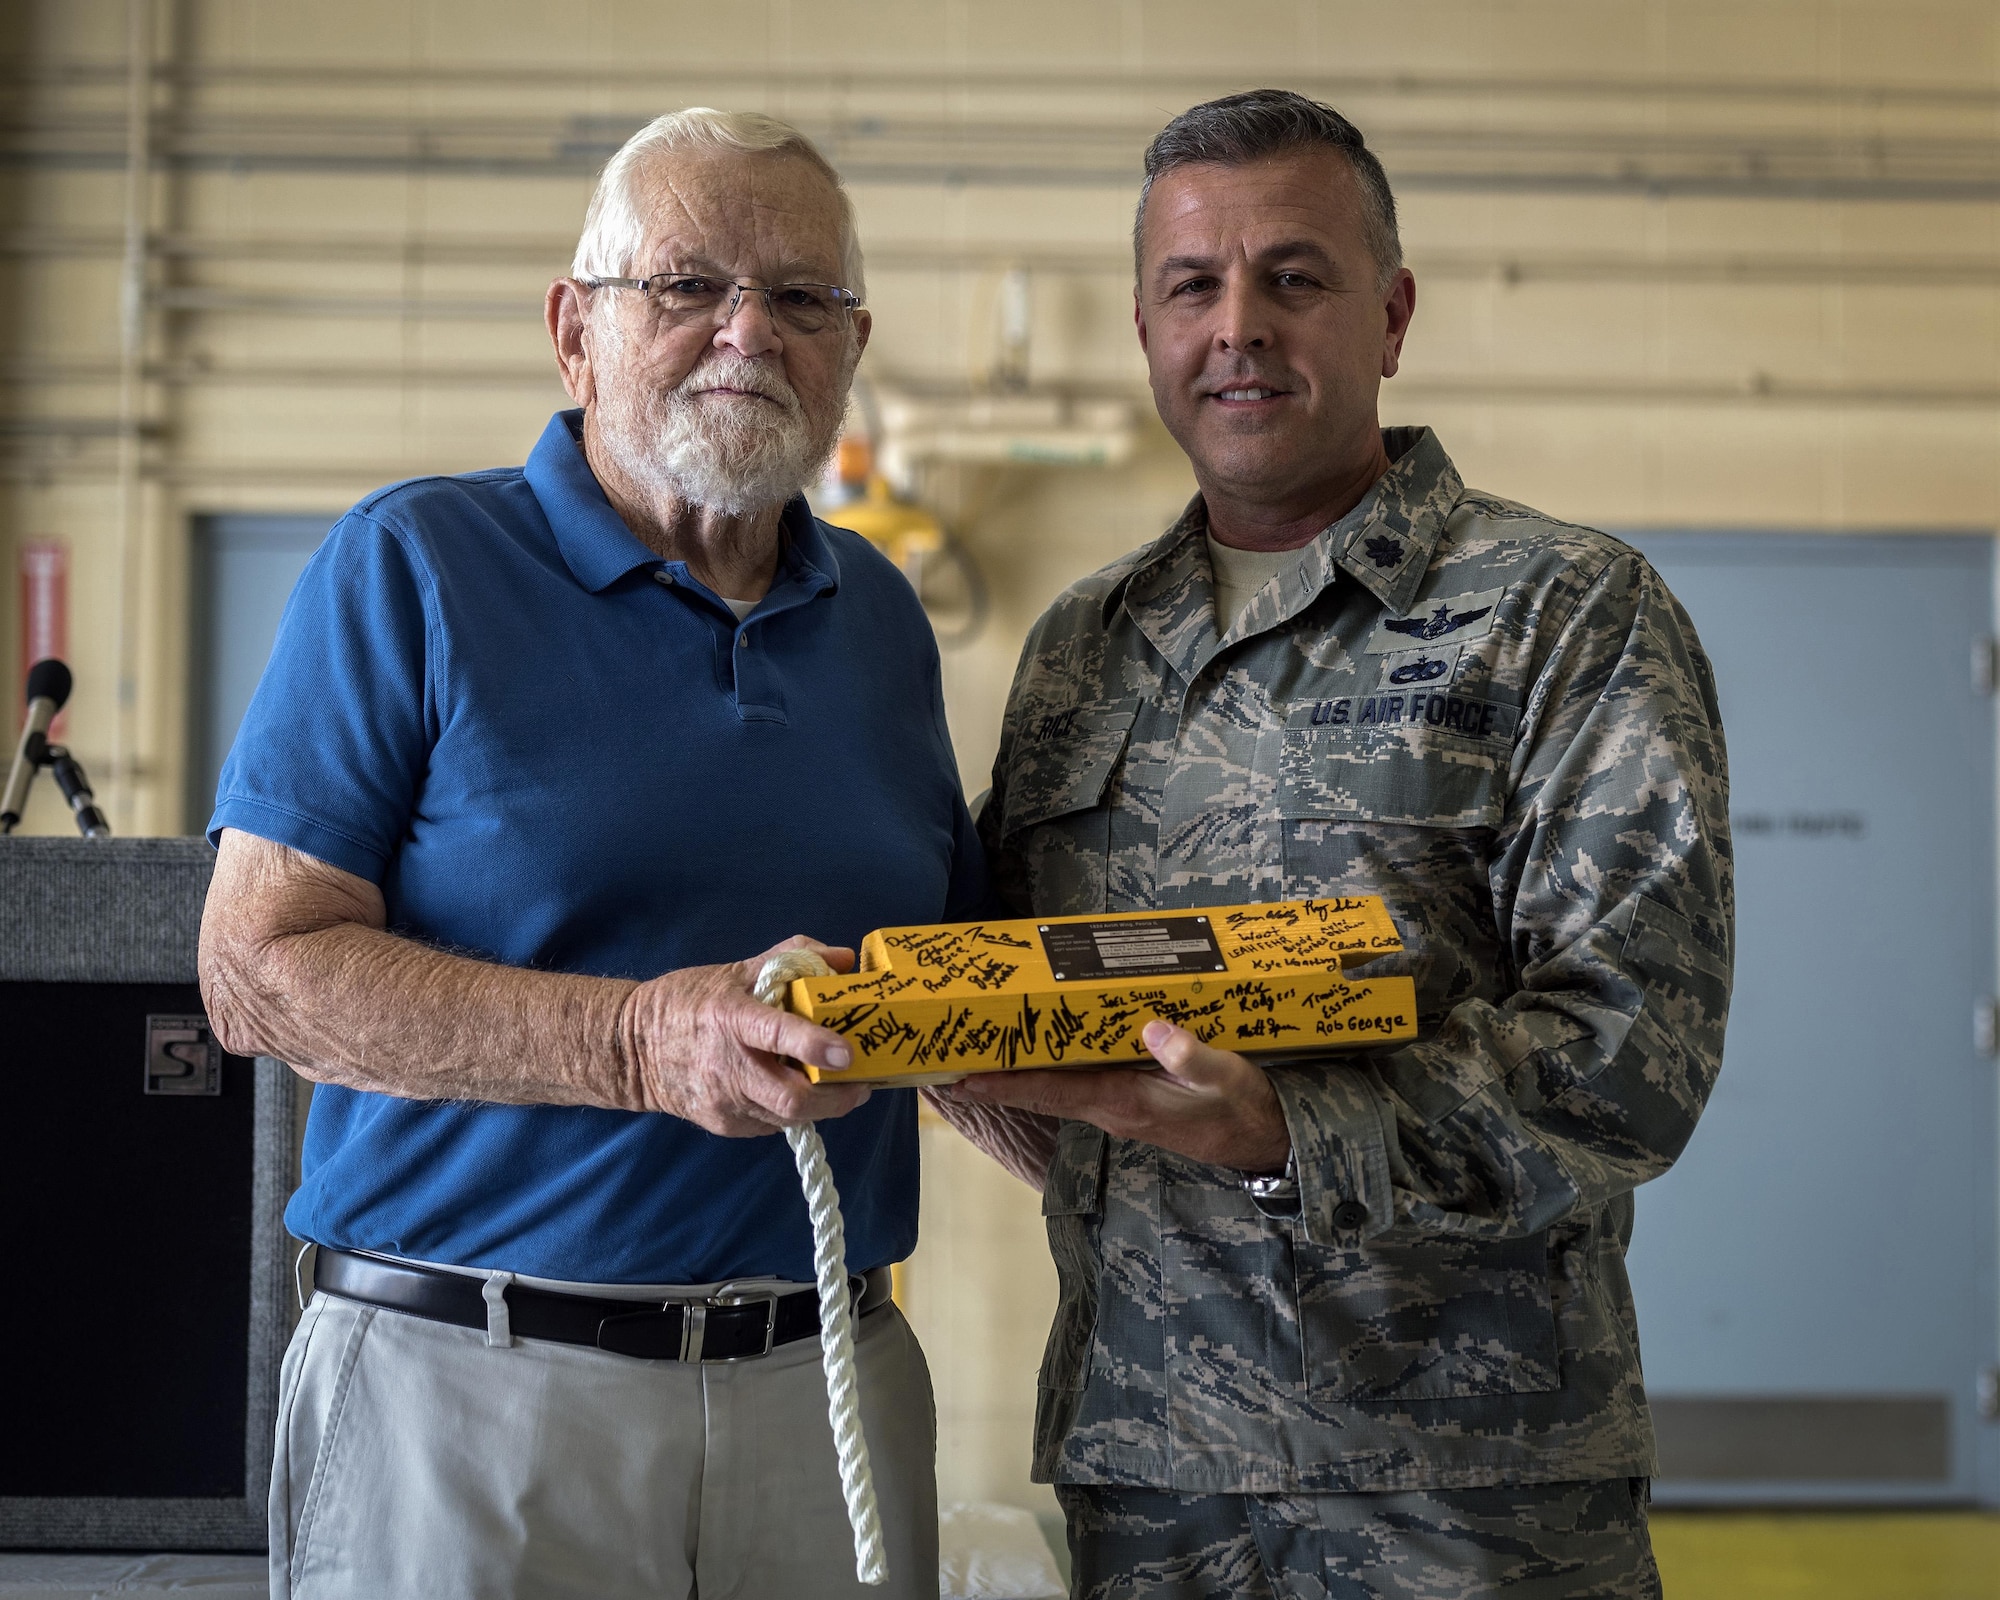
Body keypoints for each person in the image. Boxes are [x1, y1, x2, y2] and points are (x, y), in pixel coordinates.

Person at [937, 90, 1733, 1599]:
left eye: (1293, 277)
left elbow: (1631, 1052)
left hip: (1466, 1489)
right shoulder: (1080, 647)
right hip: (1151, 1471)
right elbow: (1019, 974)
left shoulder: (1562, 609)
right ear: (1146, 327)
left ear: (1393, 315)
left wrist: (1289, 1134)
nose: (1238, 325)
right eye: (1194, 285)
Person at [198, 108, 981, 1600]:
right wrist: (635, 1042)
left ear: (852, 346)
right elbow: (257, 977)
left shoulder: (878, 617)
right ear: (574, 330)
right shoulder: (414, 564)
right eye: (687, 285)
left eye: (803, 298)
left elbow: (943, 989)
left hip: (828, 1392)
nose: (750, 331)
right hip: (474, 1393)